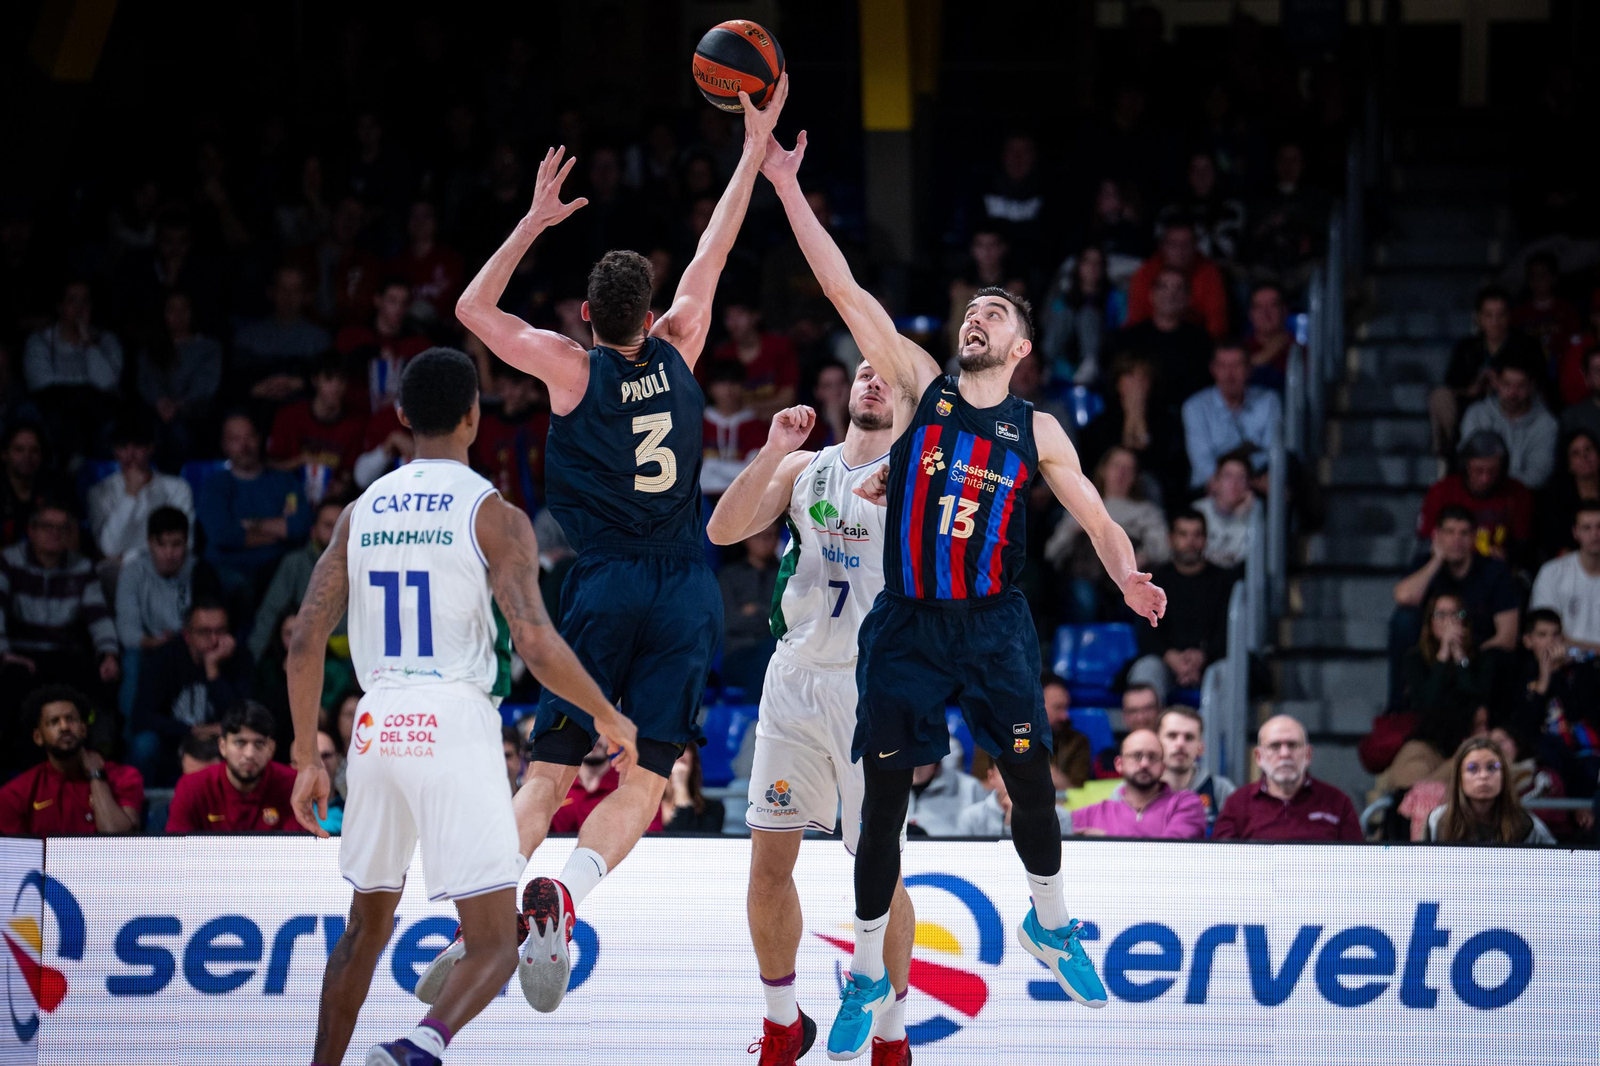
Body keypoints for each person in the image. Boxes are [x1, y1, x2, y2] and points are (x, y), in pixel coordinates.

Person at [761, 124, 1166, 1055]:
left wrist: (1129, 577)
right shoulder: (922, 388)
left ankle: (1051, 922)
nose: (975, 319)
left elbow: (1100, 518)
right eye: (971, 310)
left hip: (993, 628)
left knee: (1031, 778)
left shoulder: (1039, 429)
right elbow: (843, 289)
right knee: (886, 806)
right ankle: (867, 973)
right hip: (905, 626)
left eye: (994, 314)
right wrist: (788, 187)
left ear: (1022, 345)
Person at [444, 83, 786, 1023]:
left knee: (549, 771)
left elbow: (473, 310)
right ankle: (572, 895)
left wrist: (531, 220)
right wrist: (753, 147)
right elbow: (717, 245)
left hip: (600, 585)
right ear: (650, 309)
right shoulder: (683, 340)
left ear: (589, 318)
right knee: (645, 772)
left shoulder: (569, 366)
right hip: (686, 585)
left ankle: (482, 924)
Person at [284, 348, 637, 1066]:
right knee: (494, 944)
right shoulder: (495, 516)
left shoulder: (359, 512)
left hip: (376, 722)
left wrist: (303, 756)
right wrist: (605, 712)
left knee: (363, 927)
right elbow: (536, 643)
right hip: (452, 722)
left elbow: (303, 638)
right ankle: (416, 1048)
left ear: (403, 415)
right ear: (475, 417)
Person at [705, 359, 914, 1065]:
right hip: (794, 678)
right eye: (862, 372)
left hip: (874, 686)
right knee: (767, 865)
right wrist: (767, 451)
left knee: (880, 869)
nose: (873, 380)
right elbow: (723, 530)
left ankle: (891, 1036)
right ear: (843, 391)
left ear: (908, 403)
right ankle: (781, 1022)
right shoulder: (803, 467)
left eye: (888, 376)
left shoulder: (921, 476)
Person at [0, 501, 120, 755]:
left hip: (63, 652)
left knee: (101, 682)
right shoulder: (9, 561)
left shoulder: (82, 567)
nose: (55, 533)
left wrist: (108, 654)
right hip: (20, 653)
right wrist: (4, 652)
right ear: (31, 531)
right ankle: (20, 761)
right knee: (12, 685)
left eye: (62, 528)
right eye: (47, 526)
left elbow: (98, 617)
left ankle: (97, 753)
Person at [129, 599, 251, 785]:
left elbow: (243, 718)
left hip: (220, 745)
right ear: (187, 635)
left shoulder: (239, 657)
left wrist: (213, 671)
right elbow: (142, 717)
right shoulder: (163, 659)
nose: (214, 639)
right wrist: (193, 730)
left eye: (220, 631)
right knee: (144, 744)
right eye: (204, 632)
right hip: (173, 742)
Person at [1044, 445, 1170, 622]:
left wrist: (1141, 557)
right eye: (1116, 466)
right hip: (1086, 578)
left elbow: (1163, 550)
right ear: (1103, 470)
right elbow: (1052, 552)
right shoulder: (1080, 504)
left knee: (1145, 600)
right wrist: (1073, 532)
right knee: (1082, 597)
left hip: (1128, 581)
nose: (1121, 473)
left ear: (1135, 476)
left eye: (1128, 469)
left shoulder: (1146, 512)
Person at [1126, 510, 1235, 705]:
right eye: (1183, 534)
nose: (1190, 542)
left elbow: (1228, 630)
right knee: (1146, 669)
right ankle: (1145, 735)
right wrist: (1170, 657)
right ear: (1171, 539)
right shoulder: (1155, 580)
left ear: (1205, 539)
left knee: (1229, 672)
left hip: (1212, 660)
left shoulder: (1225, 581)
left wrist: (1204, 656)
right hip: (1165, 661)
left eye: (1197, 535)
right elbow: (1145, 633)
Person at [0, 686, 141, 837]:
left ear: (83, 729)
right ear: (38, 737)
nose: (64, 727)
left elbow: (120, 841)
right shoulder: (16, 793)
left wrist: (97, 776)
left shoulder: (124, 777)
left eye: (70, 719)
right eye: (54, 722)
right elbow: (17, 856)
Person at [197, 413, 313, 593]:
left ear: (259, 440)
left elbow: (299, 526)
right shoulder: (215, 485)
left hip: (276, 569)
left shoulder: (286, 483)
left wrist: (248, 524)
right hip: (225, 569)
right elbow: (222, 535)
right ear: (224, 445)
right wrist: (278, 533)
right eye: (235, 439)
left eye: (250, 437)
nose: (244, 446)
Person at [1393, 504, 1522, 658]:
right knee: (1404, 619)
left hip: (1478, 660)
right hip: (1431, 661)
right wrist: (1437, 561)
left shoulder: (1494, 570)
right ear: (1436, 535)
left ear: (1473, 537)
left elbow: (1507, 638)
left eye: (1464, 533)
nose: (1456, 540)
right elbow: (1403, 597)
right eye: (1449, 532)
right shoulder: (1425, 564)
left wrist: (1466, 660)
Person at [1213, 715, 1362, 841]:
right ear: (1259, 757)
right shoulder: (1237, 804)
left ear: (1308, 754)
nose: (1284, 753)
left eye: (1292, 745)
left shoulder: (1338, 803)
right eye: (1275, 746)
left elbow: (1357, 865)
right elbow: (1221, 864)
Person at [1431, 286, 1540, 456]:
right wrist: (1472, 388)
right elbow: (1452, 385)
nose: (1495, 321)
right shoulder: (1466, 347)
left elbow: (1538, 386)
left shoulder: (1526, 345)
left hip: (1513, 410)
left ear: (1509, 316)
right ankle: (1451, 452)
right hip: (1470, 410)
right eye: (1489, 315)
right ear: (1479, 318)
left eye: (1500, 315)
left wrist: (1503, 386)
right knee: (1439, 396)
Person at [165, 701, 300, 833]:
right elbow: (177, 850)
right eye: (240, 743)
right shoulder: (191, 787)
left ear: (271, 748)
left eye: (259, 744)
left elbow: (300, 849)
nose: (249, 754)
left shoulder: (293, 785)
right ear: (223, 746)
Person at [1415, 431, 1534, 566]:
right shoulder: (1442, 491)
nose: (1485, 478)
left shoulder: (1517, 493)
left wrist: (1506, 555)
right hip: (1449, 567)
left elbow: (1523, 544)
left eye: (1492, 471)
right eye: (1478, 470)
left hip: (1497, 569)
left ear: (1503, 468)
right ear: (1466, 466)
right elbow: (1426, 541)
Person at [248, 497, 344, 662]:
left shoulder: (362, 565)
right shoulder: (295, 563)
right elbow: (270, 613)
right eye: (328, 526)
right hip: (308, 657)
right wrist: (250, 663)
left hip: (352, 661)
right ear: (313, 531)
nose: (335, 532)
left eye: (341, 527)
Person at [87, 418, 193, 566]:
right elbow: (109, 548)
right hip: (117, 571)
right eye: (123, 446)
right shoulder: (100, 492)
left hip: (165, 569)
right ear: (115, 451)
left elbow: (185, 543)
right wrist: (130, 495)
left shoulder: (177, 488)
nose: (130, 454)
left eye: (137, 445)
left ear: (150, 448)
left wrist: (130, 556)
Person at [114, 506, 220, 653]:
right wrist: (153, 643)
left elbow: (209, 626)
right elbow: (127, 627)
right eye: (161, 544)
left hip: (191, 649)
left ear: (186, 542)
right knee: (133, 654)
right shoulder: (133, 573)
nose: (169, 554)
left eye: (176, 544)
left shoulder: (201, 572)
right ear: (150, 543)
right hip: (149, 648)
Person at [265, 352, 367, 502]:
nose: (335, 387)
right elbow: (268, 466)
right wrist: (301, 461)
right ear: (315, 381)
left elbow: (349, 472)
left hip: (331, 502)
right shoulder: (289, 416)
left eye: (341, 381)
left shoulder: (354, 424)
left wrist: (342, 486)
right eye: (329, 379)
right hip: (289, 495)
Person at [1182, 341, 1281, 490]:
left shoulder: (1268, 400)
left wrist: (1244, 481)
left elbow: (1271, 452)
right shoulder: (1195, 406)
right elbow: (1202, 463)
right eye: (1222, 366)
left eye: (1237, 365)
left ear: (1249, 369)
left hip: (1258, 484)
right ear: (1213, 369)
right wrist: (1236, 483)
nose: (1229, 374)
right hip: (1211, 487)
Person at [1070, 729, 1205, 839]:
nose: (1144, 764)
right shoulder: (1096, 813)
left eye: (1152, 757)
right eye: (1136, 756)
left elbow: (1170, 853)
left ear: (1163, 767)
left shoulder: (1185, 803)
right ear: (1119, 764)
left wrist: (1108, 839)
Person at [1457, 350, 1559, 490]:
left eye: (1520, 386)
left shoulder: (1547, 424)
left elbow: (1538, 475)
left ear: (1531, 386)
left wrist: (1494, 478)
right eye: (1507, 384)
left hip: (1525, 496)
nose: (1512, 393)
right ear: (1496, 383)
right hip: (1479, 493)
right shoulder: (1476, 414)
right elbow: (1468, 463)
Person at [1426, 736, 1555, 844]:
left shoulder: (1527, 825)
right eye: (1472, 768)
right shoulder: (1437, 820)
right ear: (1459, 778)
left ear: (1503, 775)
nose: (1483, 776)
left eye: (1492, 767)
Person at [231, 265, 330, 404]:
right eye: (282, 288)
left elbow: (328, 381)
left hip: (300, 407)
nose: (288, 296)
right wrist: (256, 388)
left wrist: (299, 383)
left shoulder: (319, 338)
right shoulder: (248, 335)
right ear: (271, 292)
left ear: (307, 296)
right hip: (256, 407)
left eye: (295, 290)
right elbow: (235, 381)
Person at [468, 362, 550, 511]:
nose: (508, 393)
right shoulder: (485, 425)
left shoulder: (543, 423)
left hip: (542, 507)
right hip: (496, 508)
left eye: (515, 385)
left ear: (529, 384)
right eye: (503, 386)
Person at [1125, 221, 1229, 339]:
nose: (1180, 251)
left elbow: (1217, 324)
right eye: (1174, 244)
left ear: (1195, 246)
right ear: (1163, 246)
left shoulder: (1209, 274)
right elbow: (1136, 320)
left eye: (1186, 244)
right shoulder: (1145, 274)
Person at [1040, 245, 1126, 386]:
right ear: (1078, 266)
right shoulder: (1063, 299)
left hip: (1101, 353)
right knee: (1065, 312)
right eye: (1087, 262)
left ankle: (1089, 362)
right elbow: (1051, 328)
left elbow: (1122, 328)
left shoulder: (1116, 297)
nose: (1092, 267)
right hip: (1062, 359)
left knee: (1088, 313)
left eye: (1097, 263)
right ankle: (1045, 364)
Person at [706, 297, 801, 419]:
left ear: (755, 316)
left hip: (775, 419)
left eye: (739, 314)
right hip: (735, 423)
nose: (733, 323)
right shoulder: (722, 353)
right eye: (729, 317)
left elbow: (788, 398)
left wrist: (747, 412)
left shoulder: (780, 346)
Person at [546, 738, 664, 835]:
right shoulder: (554, 787)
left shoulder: (636, 787)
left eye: (601, 728)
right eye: (586, 728)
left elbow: (651, 841)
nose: (594, 737)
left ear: (615, 735)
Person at [718, 522, 781, 696]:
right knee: (770, 657)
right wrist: (769, 614)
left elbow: (791, 620)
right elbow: (728, 622)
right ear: (746, 537)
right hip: (739, 655)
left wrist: (756, 610)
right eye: (759, 535)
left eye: (771, 535)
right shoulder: (729, 575)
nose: (765, 541)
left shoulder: (787, 575)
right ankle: (758, 718)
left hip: (778, 653)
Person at [1529, 502, 1600, 652]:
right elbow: (1543, 634)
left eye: (1599, 527)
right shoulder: (1552, 573)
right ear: (1575, 533)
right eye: (1587, 528)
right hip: (1563, 664)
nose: (1595, 534)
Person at [1157, 707, 1235, 835]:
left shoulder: (1221, 790)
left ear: (1201, 748)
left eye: (1189, 737)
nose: (1180, 743)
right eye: (1172, 736)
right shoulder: (1136, 790)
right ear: (1156, 743)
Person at [956, 759, 1074, 837]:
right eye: (1007, 774)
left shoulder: (1059, 817)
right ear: (991, 777)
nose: (1016, 781)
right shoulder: (971, 817)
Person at [700, 360, 768, 496]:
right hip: (703, 498)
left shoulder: (754, 424)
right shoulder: (700, 423)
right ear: (711, 388)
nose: (728, 389)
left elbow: (755, 470)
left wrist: (713, 466)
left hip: (744, 496)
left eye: (734, 382)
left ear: (743, 386)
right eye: (721, 383)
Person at [1535, 429, 1599, 559]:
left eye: (1588, 449)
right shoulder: (1555, 499)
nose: (1584, 456)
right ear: (1568, 464)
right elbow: (1555, 544)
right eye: (1576, 453)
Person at [1194, 451, 1257, 568]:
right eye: (1228, 476)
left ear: (1249, 484)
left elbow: (1243, 560)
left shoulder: (1256, 516)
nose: (1234, 483)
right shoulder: (1197, 511)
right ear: (1215, 482)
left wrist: (1240, 518)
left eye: (1241, 477)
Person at [1243, 282, 1301, 389]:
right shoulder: (1239, 349)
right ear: (1250, 314)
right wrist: (1267, 354)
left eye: (1273, 306)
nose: (1265, 313)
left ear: (1284, 311)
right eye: (1259, 307)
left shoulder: (1300, 352)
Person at [659, 744, 725, 833]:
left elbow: (686, 842)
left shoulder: (713, 810)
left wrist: (680, 787)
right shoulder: (646, 807)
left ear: (693, 760)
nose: (679, 752)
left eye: (684, 746)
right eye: (671, 747)